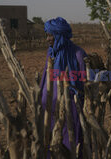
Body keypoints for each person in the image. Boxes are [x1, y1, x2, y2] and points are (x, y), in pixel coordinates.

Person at [40, 17, 86, 158]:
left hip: (69, 107)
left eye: (51, 35)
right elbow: (45, 78)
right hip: (48, 107)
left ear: (60, 35)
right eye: (47, 35)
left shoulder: (78, 54)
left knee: (69, 141)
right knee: (49, 141)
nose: (48, 39)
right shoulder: (51, 53)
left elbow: (84, 80)